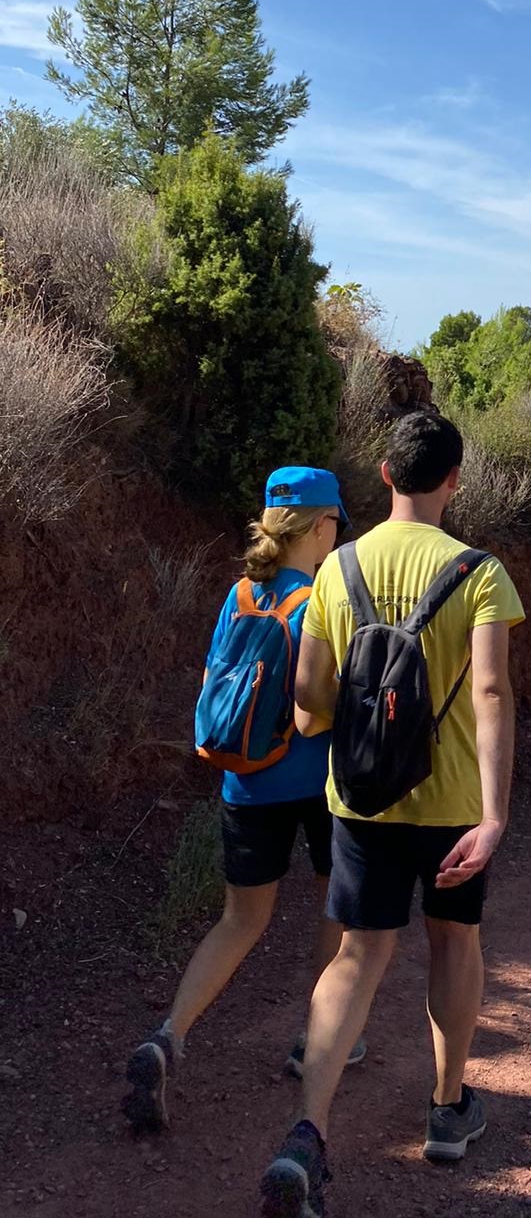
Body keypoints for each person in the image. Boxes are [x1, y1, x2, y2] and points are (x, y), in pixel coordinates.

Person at [259, 411, 524, 1218]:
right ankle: (446, 1111)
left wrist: (336, 722)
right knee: (454, 941)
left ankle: (307, 1132)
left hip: (363, 802)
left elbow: (309, 698)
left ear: (384, 474)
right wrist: (495, 814)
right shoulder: (481, 572)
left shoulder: (338, 568)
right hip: (453, 806)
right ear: (454, 481)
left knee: (357, 956)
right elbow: (490, 693)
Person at [123, 467, 360, 1134]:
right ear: (319, 526)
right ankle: (315, 1042)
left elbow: (212, 682)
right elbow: (321, 702)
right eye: (336, 522)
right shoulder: (321, 600)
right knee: (336, 909)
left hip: (245, 782)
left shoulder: (241, 592)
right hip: (317, 785)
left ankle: (168, 1035)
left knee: (240, 920)